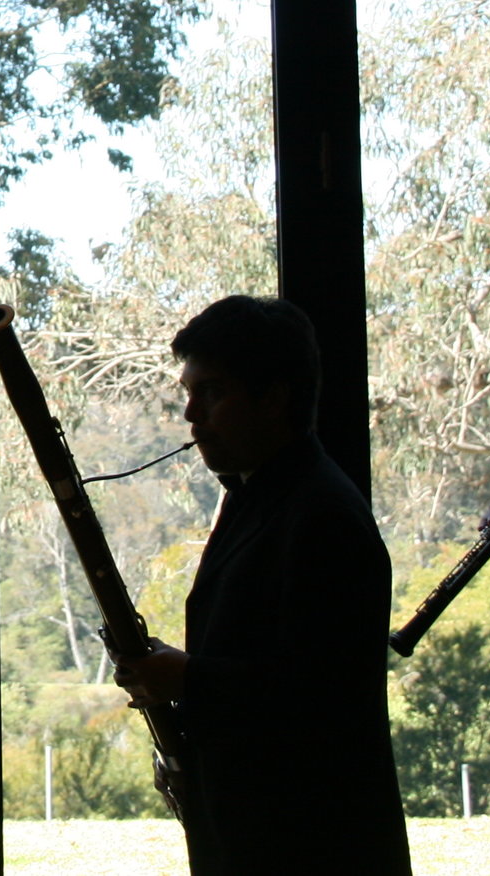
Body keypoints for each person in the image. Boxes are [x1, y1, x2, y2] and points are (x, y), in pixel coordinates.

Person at [109, 295, 410, 875]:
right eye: (189, 393)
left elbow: (322, 696)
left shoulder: (321, 513)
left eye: (212, 392)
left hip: (311, 845)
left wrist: (184, 676)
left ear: (274, 398)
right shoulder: (262, 494)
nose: (192, 415)